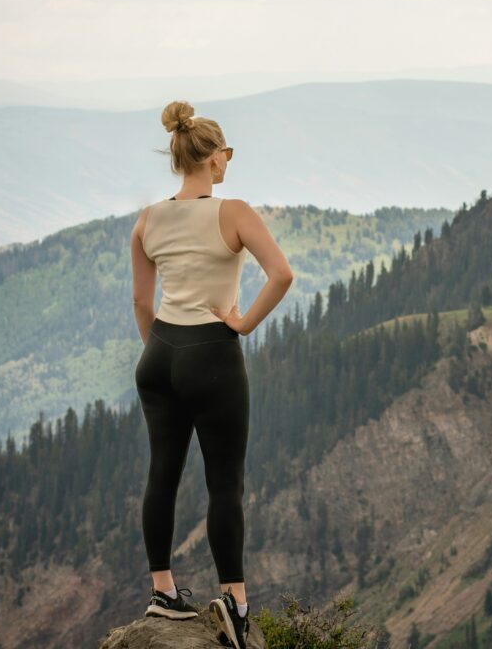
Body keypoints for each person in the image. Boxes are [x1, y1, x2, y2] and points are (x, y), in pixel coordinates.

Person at [130, 100, 293, 649]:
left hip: (159, 355)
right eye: (228, 154)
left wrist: (163, 353)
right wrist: (243, 323)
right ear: (214, 157)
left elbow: (141, 300)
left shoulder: (148, 219)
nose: (228, 162)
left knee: (162, 474)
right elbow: (281, 274)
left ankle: (162, 590)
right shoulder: (234, 212)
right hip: (212, 355)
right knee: (225, 483)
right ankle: (234, 603)